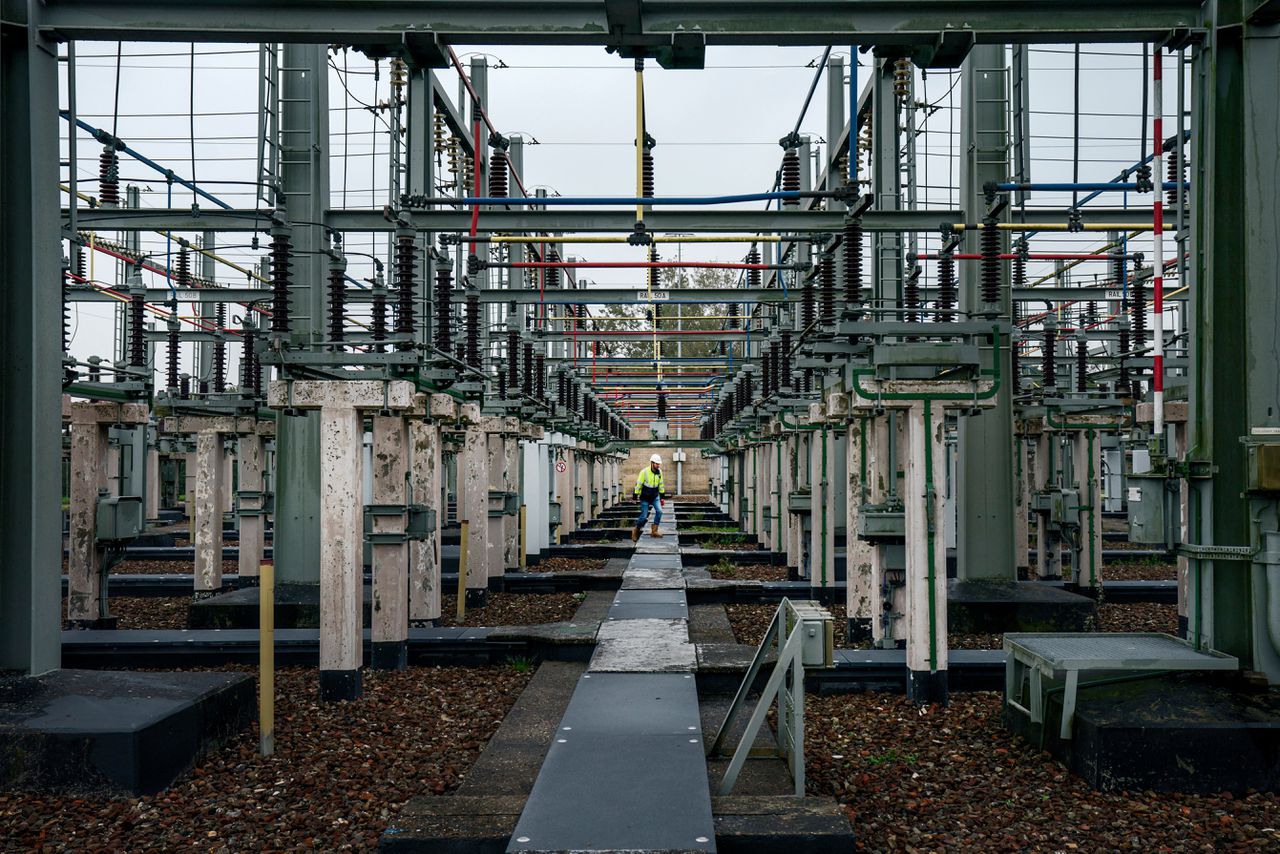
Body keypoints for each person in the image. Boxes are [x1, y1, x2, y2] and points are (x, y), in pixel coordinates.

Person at [631, 454, 666, 542]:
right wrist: (635, 497)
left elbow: (661, 485)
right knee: (643, 517)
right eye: (657, 464)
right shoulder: (644, 472)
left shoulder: (660, 472)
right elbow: (638, 485)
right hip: (645, 497)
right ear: (652, 463)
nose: (658, 465)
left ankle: (654, 531)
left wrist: (662, 497)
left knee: (659, 511)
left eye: (659, 464)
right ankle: (636, 530)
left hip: (655, 496)